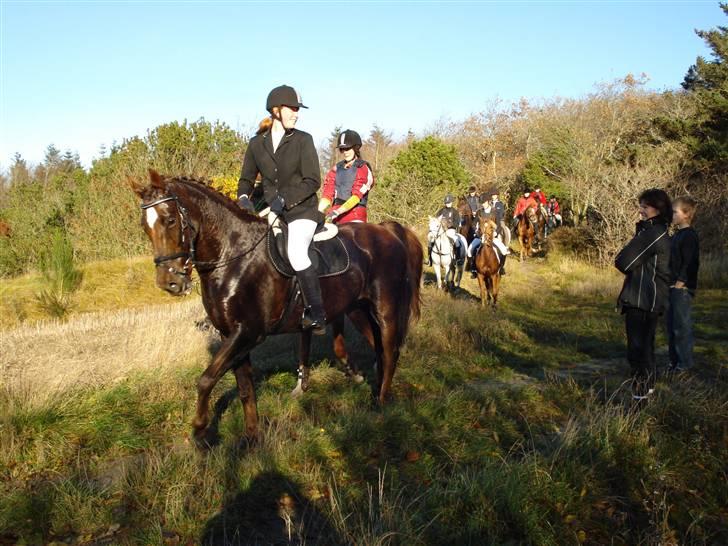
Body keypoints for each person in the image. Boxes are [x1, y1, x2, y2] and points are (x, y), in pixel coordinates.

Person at [237, 84, 326, 335]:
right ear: (276, 110)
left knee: (297, 252)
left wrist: (283, 201)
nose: (296, 113)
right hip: (272, 211)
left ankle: (316, 313)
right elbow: (245, 179)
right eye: (292, 109)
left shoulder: (303, 140)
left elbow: (312, 181)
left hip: (302, 211)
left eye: (298, 110)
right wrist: (244, 198)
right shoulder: (256, 144)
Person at [614, 189, 672, 402]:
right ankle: (647, 394)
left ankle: (639, 401)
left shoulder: (652, 234)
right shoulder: (659, 232)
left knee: (638, 353)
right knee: (646, 350)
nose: (640, 211)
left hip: (642, 300)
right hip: (651, 299)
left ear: (656, 209)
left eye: (644, 207)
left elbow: (623, 261)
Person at [667, 196, 700, 373]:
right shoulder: (677, 235)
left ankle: (684, 365)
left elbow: (690, 263)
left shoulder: (689, 236)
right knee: (672, 327)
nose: (671, 215)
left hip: (682, 289)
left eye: (674, 212)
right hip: (672, 287)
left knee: (681, 328)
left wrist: (680, 283)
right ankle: (674, 363)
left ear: (686, 214)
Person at [319, 130, 374, 224]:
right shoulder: (336, 168)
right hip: (335, 216)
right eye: (342, 149)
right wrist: (318, 212)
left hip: (355, 215)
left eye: (347, 148)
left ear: (355, 148)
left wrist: (338, 211)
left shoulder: (362, 168)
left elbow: (356, 196)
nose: (345, 152)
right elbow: (327, 194)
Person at [427, 194, 461, 265]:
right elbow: (436, 220)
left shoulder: (455, 212)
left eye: (449, 202)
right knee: (431, 241)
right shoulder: (441, 211)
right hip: (441, 231)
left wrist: (450, 225)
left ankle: (457, 258)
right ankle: (430, 259)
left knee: (456, 241)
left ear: (452, 202)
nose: (448, 204)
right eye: (446, 203)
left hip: (450, 230)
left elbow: (457, 222)